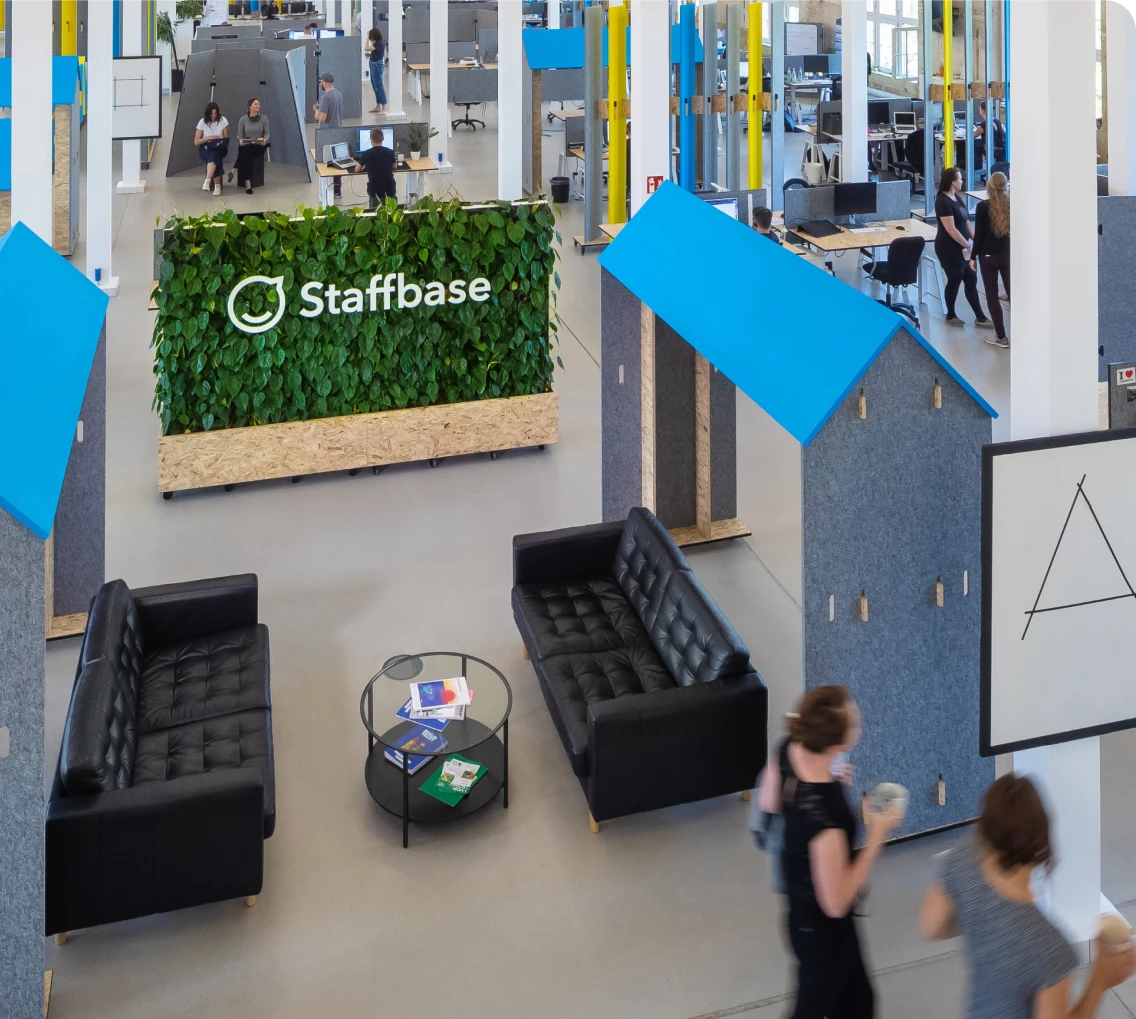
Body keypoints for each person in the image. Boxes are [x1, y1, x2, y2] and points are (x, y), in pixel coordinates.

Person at [920, 774, 1135, 1019]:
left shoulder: (962, 856)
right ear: (1043, 840)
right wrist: (1100, 980)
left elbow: (931, 928)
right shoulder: (1049, 948)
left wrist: (980, 922)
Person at [759, 686, 903, 1019]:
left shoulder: (789, 747)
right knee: (826, 1007)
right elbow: (836, 903)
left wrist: (831, 780)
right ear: (838, 745)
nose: (860, 723)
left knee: (857, 1001)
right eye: (855, 722)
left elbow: (769, 801)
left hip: (798, 911)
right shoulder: (826, 821)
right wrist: (877, 836)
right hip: (824, 934)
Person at [935, 166, 992, 329]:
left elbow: (966, 222)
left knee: (971, 279)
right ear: (953, 182)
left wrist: (976, 241)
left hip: (963, 247)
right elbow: (951, 229)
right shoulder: (943, 201)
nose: (962, 181)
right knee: (955, 279)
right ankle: (951, 314)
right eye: (960, 179)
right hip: (949, 248)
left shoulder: (957, 198)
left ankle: (980, 316)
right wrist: (967, 245)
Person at [972, 171, 1010, 348]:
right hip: (1007, 255)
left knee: (992, 296)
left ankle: (1001, 337)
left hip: (987, 257)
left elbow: (978, 236)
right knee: (1013, 293)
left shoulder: (982, 207)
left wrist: (972, 257)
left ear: (989, 186)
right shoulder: (1012, 205)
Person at [228, 97, 271, 195]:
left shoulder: (264, 119)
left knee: (245, 153)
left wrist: (264, 140)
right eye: (255, 104)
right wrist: (241, 140)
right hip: (247, 144)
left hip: (259, 145)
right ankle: (248, 184)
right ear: (249, 106)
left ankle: (234, 169)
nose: (258, 106)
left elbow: (267, 133)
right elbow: (240, 136)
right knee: (246, 153)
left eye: (259, 104)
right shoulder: (243, 120)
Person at [352, 127, 398, 208]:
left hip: (375, 190)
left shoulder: (366, 154)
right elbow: (395, 167)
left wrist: (365, 165)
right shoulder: (390, 152)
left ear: (371, 140)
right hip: (390, 189)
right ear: (382, 139)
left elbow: (356, 170)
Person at [314, 72, 344, 197]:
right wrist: (321, 107)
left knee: (327, 162)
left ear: (325, 83)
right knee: (337, 161)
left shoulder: (325, 97)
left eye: (321, 82)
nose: (320, 84)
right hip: (338, 130)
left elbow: (322, 118)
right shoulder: (338, 94)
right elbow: (333, 110)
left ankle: (328, 190)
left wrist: (316, 113)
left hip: (327, 133)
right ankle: (337, 190)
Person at [194, 101, 229, 197]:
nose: (213, 116)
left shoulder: (223, 120)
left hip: (220, 147)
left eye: (215, 114)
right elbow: (196, 141)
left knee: (214, 155)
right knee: (215, 157)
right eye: (211, 114)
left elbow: (225, 138)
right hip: (206, 148)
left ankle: (208, 180)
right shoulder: (202, 122)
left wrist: (217, 138)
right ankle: (217, 186)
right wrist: (207, 138)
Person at [365, 27, 387, 115]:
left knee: (379, 86)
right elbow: (377, 53)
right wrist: (370, 55)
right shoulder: (377, 44)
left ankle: (384, 107)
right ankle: (378, 106)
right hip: (374, 65)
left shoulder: (379, 43)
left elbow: (366, 47)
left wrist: (367, 38)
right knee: (375, 86)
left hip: (376, 66)